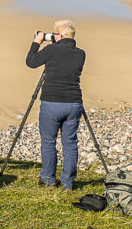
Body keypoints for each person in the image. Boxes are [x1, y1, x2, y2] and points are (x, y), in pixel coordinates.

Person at [25, 19, 86, 190]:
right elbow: (64, 58)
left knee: (48, 141)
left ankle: (48, 179)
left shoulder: (51, 50)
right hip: (74, 103)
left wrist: (37, 42)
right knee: (70, 142)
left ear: (58, 35)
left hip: (52, 102)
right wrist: (54, 40)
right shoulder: (81, 53)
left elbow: (31, 62)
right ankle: (68, 182)